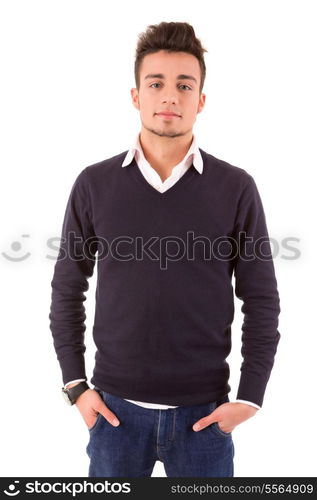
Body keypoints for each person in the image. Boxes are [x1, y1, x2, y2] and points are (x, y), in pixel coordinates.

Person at [49, 21, 281, 478]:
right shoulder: (95, 184)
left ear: (201, 100)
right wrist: (76, 386)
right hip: (113, 416)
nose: (169, 96)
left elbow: (261, 298)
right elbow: (67, 288)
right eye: (156, 84)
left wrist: (250, 397)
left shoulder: (235, 187)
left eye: (184, 85)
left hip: (204, 421)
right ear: (136, 95)